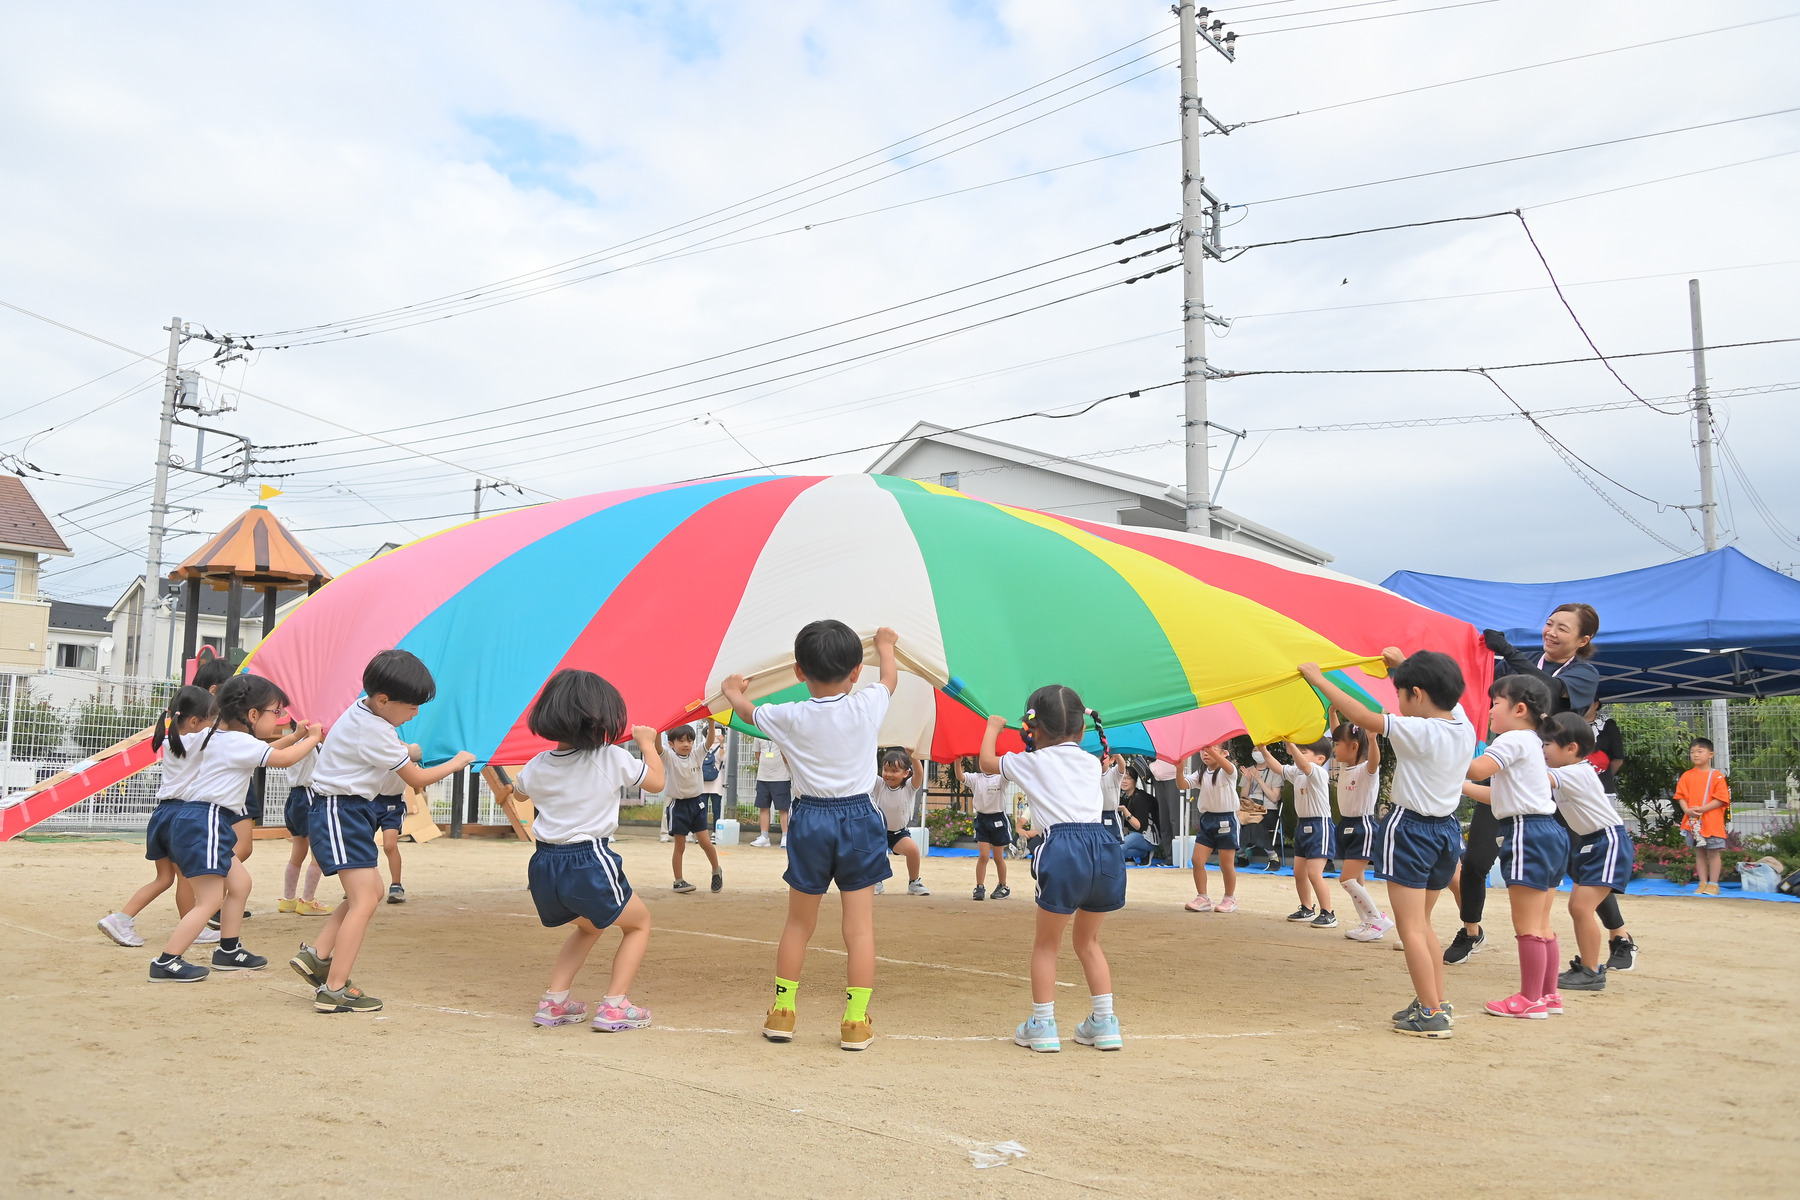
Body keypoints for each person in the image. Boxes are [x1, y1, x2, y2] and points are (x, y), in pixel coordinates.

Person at [722, 621, 897, 1051]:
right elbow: (889, 678)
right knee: (859, 929)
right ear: (857, 671)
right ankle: (855, 1021)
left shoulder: (788, 716)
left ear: (799, 671)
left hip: (810, 820)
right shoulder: (867, 703)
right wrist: (887, 646)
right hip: (858, 818)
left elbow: (747, 711)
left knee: (798, 924)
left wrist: (732, 691)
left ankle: (782, 1013)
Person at [292, 649, 475, 1013]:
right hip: (339, 812)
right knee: (364, 899)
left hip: (350, 811)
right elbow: (417, 777)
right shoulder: (375, 728)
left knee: (371, 891)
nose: (415, 713)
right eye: (411, 706)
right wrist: (457, 762)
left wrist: (405, 748)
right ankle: (334, 988)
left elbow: (382, 752)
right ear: (383, 699)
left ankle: (317, 956)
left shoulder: (365, 712)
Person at [1303, 649, 1471, 1040]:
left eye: (1401, 692)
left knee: (1410, 927)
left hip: (1411, 831)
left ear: (1417, 693)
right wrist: (1403, 665)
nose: (1398, 702)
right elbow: (1439, 692)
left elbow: (1362, 718)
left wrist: (1318, 678)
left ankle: (1430, 1012)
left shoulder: (1421, 729)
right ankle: (1435, 1001)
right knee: (1423, 923)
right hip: (1447, 831)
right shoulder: (1461, 724)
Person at [509, 669, 664, 1031]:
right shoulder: (610, 757)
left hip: (545, 864)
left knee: (590, 927)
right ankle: (615, 1005)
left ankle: (555, 1002)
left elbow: (518, 792)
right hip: (589, 860)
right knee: (639, 923)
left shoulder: (537, 764)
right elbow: (656, 782)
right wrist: (646, 744)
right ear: (600, 720)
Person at [1451, 603, 1600, 965]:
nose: (1551, 631)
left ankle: (1617, 936)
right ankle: (1471, 931)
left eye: (1562, 628)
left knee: (1580, 869)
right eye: (1549, 623)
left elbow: (1546, 690)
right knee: (1475, 862)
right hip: (1513, 785)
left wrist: (1507, 651)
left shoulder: (1583, 673)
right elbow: (1480, 679)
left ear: (1583, 639)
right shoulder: (1524, 668)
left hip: (1553, 787)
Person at [148, 675, 323, 981]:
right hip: (206, 821)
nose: (279, 718)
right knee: (210, 900)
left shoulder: (222, 737)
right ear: (252, 715)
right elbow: (280, 759)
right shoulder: (238, 742)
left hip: (199, 820)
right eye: (275, 712)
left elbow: (264, 753)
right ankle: (167, 960)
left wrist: (296, 737)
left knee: (239, 884)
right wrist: (312, 738)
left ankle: (228, 950)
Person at [979, 685, 1124, 1053]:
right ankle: (1104, 1023)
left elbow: (985, 764)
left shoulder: (1031, 761)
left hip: (1063, 849)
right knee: (1088, 942)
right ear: (1080, 728)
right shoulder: (1091, 761)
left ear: (1034, 728)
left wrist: (993, 728)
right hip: (1104, 848)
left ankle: (1042, 1025)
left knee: (1046, 945)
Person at [1463, 675, 1568, 1020]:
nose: (1490, 710)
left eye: (1495, 702)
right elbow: (1498, 795)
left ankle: (1529, 999)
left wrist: (1448, 743)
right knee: (1542, 923)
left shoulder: (1512, 739)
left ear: (1519, 709)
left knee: (1527, 925)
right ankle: (1548, 995)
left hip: (1526, 835)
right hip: (1548, 832)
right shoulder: (1531, 743)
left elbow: (1479, 768)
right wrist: (1459, 786)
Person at [97, 686, 216, 948]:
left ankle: (122, 918)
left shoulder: (168, 739)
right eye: (211, 719)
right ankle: (190, 926)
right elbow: (227, 734)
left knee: (164, 878)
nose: (214, 723)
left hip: (162, 813)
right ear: (195, 721)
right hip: (180, 816)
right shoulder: (198, 739)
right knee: (185, 877)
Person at [1542, 712, 1633, 993]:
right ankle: (1589, 967)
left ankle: (1592, 972)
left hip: (1607, 841)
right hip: (1591, 841)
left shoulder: (1575, 771)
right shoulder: (1567, 769)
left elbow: (1536, 777)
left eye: (1547, 744)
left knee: (1581, 907)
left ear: (1571, 748)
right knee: (1577, 908)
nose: (1543, 750)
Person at [1584, 700, 1640, 970]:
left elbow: (1615, 759)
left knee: (1585, 890)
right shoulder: (1561, 722)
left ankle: (1617, 941)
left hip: (1596, 805)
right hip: (1562, 805)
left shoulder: (1606, 727)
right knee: (1579, 890)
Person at [1332, 721, 1392, 942]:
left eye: (1338, 744)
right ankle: (1367, 922)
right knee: (1356, 879)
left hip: (1362, 828)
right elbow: (1336, 728)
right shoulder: (1344, 768)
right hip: (1346, 826)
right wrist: (1332, 712)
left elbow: (1375, 762)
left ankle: (1377, 918)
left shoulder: (1365, 770)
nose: (1334, 749)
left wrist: (1374, 739)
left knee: (1346, 879)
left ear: (1354, 746)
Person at [1271, 737, 1336, 928]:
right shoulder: (1298, 772)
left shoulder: (1318, 772)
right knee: (1299, 872)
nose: (1299, 754)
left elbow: (1302, 764)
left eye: (1304, 751)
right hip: (1303, 825)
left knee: (1315, 874)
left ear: (1320, 759)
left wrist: (1290, 744)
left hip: (1319, 826)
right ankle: (1307, 908)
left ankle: (1328, 913)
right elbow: (1279, 768)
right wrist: (1264, 750)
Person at [662, 724, 722, 894]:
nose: (686, 744)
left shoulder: (697, 755)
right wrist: (657, 729)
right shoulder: (670, 758)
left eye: (690, 740)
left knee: (705, 842)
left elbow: (709, 741)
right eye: (681, 741)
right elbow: (658, 748)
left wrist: (711, 723)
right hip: (679, 806)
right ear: (671, 744)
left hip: (697, 804)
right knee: (680, 846)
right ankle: (678, 881)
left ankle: (716, 870)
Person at [276, 731, 330, 916]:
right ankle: (308, 901)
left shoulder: (296, 742)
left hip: (294, 798)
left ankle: (288, 899)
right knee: (319, 854)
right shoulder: (310, 744)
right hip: (309, 797)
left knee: (297, 853)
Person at [1184, 743, 1240, 913]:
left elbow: (1228, 767)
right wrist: (1179, 769)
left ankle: (1229, 898)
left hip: (1227, 819)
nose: (1205, 753)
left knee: (1226, 863)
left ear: (1225, 752)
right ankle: (1203, 897)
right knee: (1197, 860)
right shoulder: (1201, 772)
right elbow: (1182, 785)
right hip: (1208, 819)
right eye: (1202, 750)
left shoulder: (1228, 771)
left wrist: (1213, 753)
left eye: (1212, 749)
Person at [1675, 736, 1732, 896]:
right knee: (1699, 852)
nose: (1696, 755)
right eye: (1692, 751)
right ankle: (1702, 882)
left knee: (1713, 853)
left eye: (1700, 751)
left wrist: (1702, 809)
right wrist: (1687, 810)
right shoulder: (1686, 775)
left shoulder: (1717, 776)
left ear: (1711, 754)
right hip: (1693, 823)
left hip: (1711, 822)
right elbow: (1681, 796)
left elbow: (1721, 799)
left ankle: (1713, 884)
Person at [871, 748, 929, 896]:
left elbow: (920, 773)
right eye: (885, 770)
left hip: (898, 833)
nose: (889, 775)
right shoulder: (879, 784)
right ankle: (876, 881)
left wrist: (913, 755)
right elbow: (867, 770)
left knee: (913, 850)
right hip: (878, 831)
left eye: (894, 771)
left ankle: (914, 882)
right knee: (875, 853)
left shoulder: (909, 787)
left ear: (905, 773)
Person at [957, 757, 1012, 900]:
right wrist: (957, 762)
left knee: (999, 857)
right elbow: (960, 777)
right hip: (982, 820)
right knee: (983, 856)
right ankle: (979, 887)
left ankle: (1003, 885)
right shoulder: (976, 778)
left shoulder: (1001, 778)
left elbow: (1010, 772)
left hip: (998, 819)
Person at [372, 744, 421, 904]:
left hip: (393, 802)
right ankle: (361, 884)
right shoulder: (376, 741)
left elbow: (417, 754)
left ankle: (396, 885)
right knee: (363, 844)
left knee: (389, 845)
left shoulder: (405, 746)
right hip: (370, 798)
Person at [751, 741, 791, 848]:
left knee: (783, 808)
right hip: (763, 777)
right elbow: (757, 754)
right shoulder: (758, 733)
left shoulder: (780, 731)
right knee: (763, 807)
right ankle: (764, 837)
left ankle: (785, 836)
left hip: (781, 777)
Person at [1118, 764, 1158, 865]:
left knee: (1117, 848)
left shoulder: (1140, 798)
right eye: (1122, 778)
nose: (1124, 781)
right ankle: (1144, 854)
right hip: (1134, 835)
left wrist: (1125, 811)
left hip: (1147, 838)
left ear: (1135, 781)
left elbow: (1140, 827)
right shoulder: (1124, 797)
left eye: (1128, 778)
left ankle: (1143, 853)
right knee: (1117, 849)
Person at [1098, 752, 1125, 841]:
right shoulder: (1092, 774)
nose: (1100, 761)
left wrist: (1115, 751)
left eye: (1103, 758)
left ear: (1111, 760)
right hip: (1097, 814)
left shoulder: (1114, 773)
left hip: (1111, 813)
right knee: (1099, 841)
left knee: (1115, 841)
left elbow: (1122, 765)